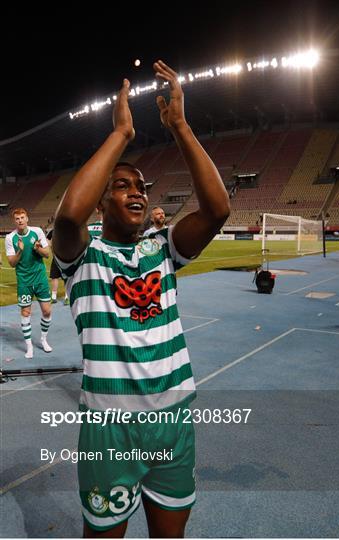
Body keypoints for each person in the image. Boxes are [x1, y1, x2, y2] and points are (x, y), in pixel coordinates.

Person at [53, 60, 230, 538]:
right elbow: (68, 219)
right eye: (122, 185)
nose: (136, 192)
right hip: (111, 430)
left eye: (141, 187)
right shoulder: (82, 256)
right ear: (103, 201)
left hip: (173, 424)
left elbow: (217, 209)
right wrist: (121, 135)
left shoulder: (162, 248)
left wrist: (179, 126)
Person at [5, 208, 53, 358]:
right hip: (24, 281)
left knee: (47, 311)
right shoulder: (10, 238)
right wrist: (20, 251)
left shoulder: (37, 232)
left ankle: (44, 340)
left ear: (27, 219)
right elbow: (12, 263)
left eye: (22, 217)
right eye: (17, 218)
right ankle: (29, 347)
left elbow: (47, 254)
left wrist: (38, 248)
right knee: (26, 313)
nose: (20, 220)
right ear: (15, 221)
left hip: (40, 279)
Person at [46, 227, 69, 305]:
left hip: (67, 258)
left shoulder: (70, 230)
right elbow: (47, 239)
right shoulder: (53, 231)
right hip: (57, 257)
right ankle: (54, 296)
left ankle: (67, 296)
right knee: (54, 276)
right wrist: (50, 246)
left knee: (66, 277)